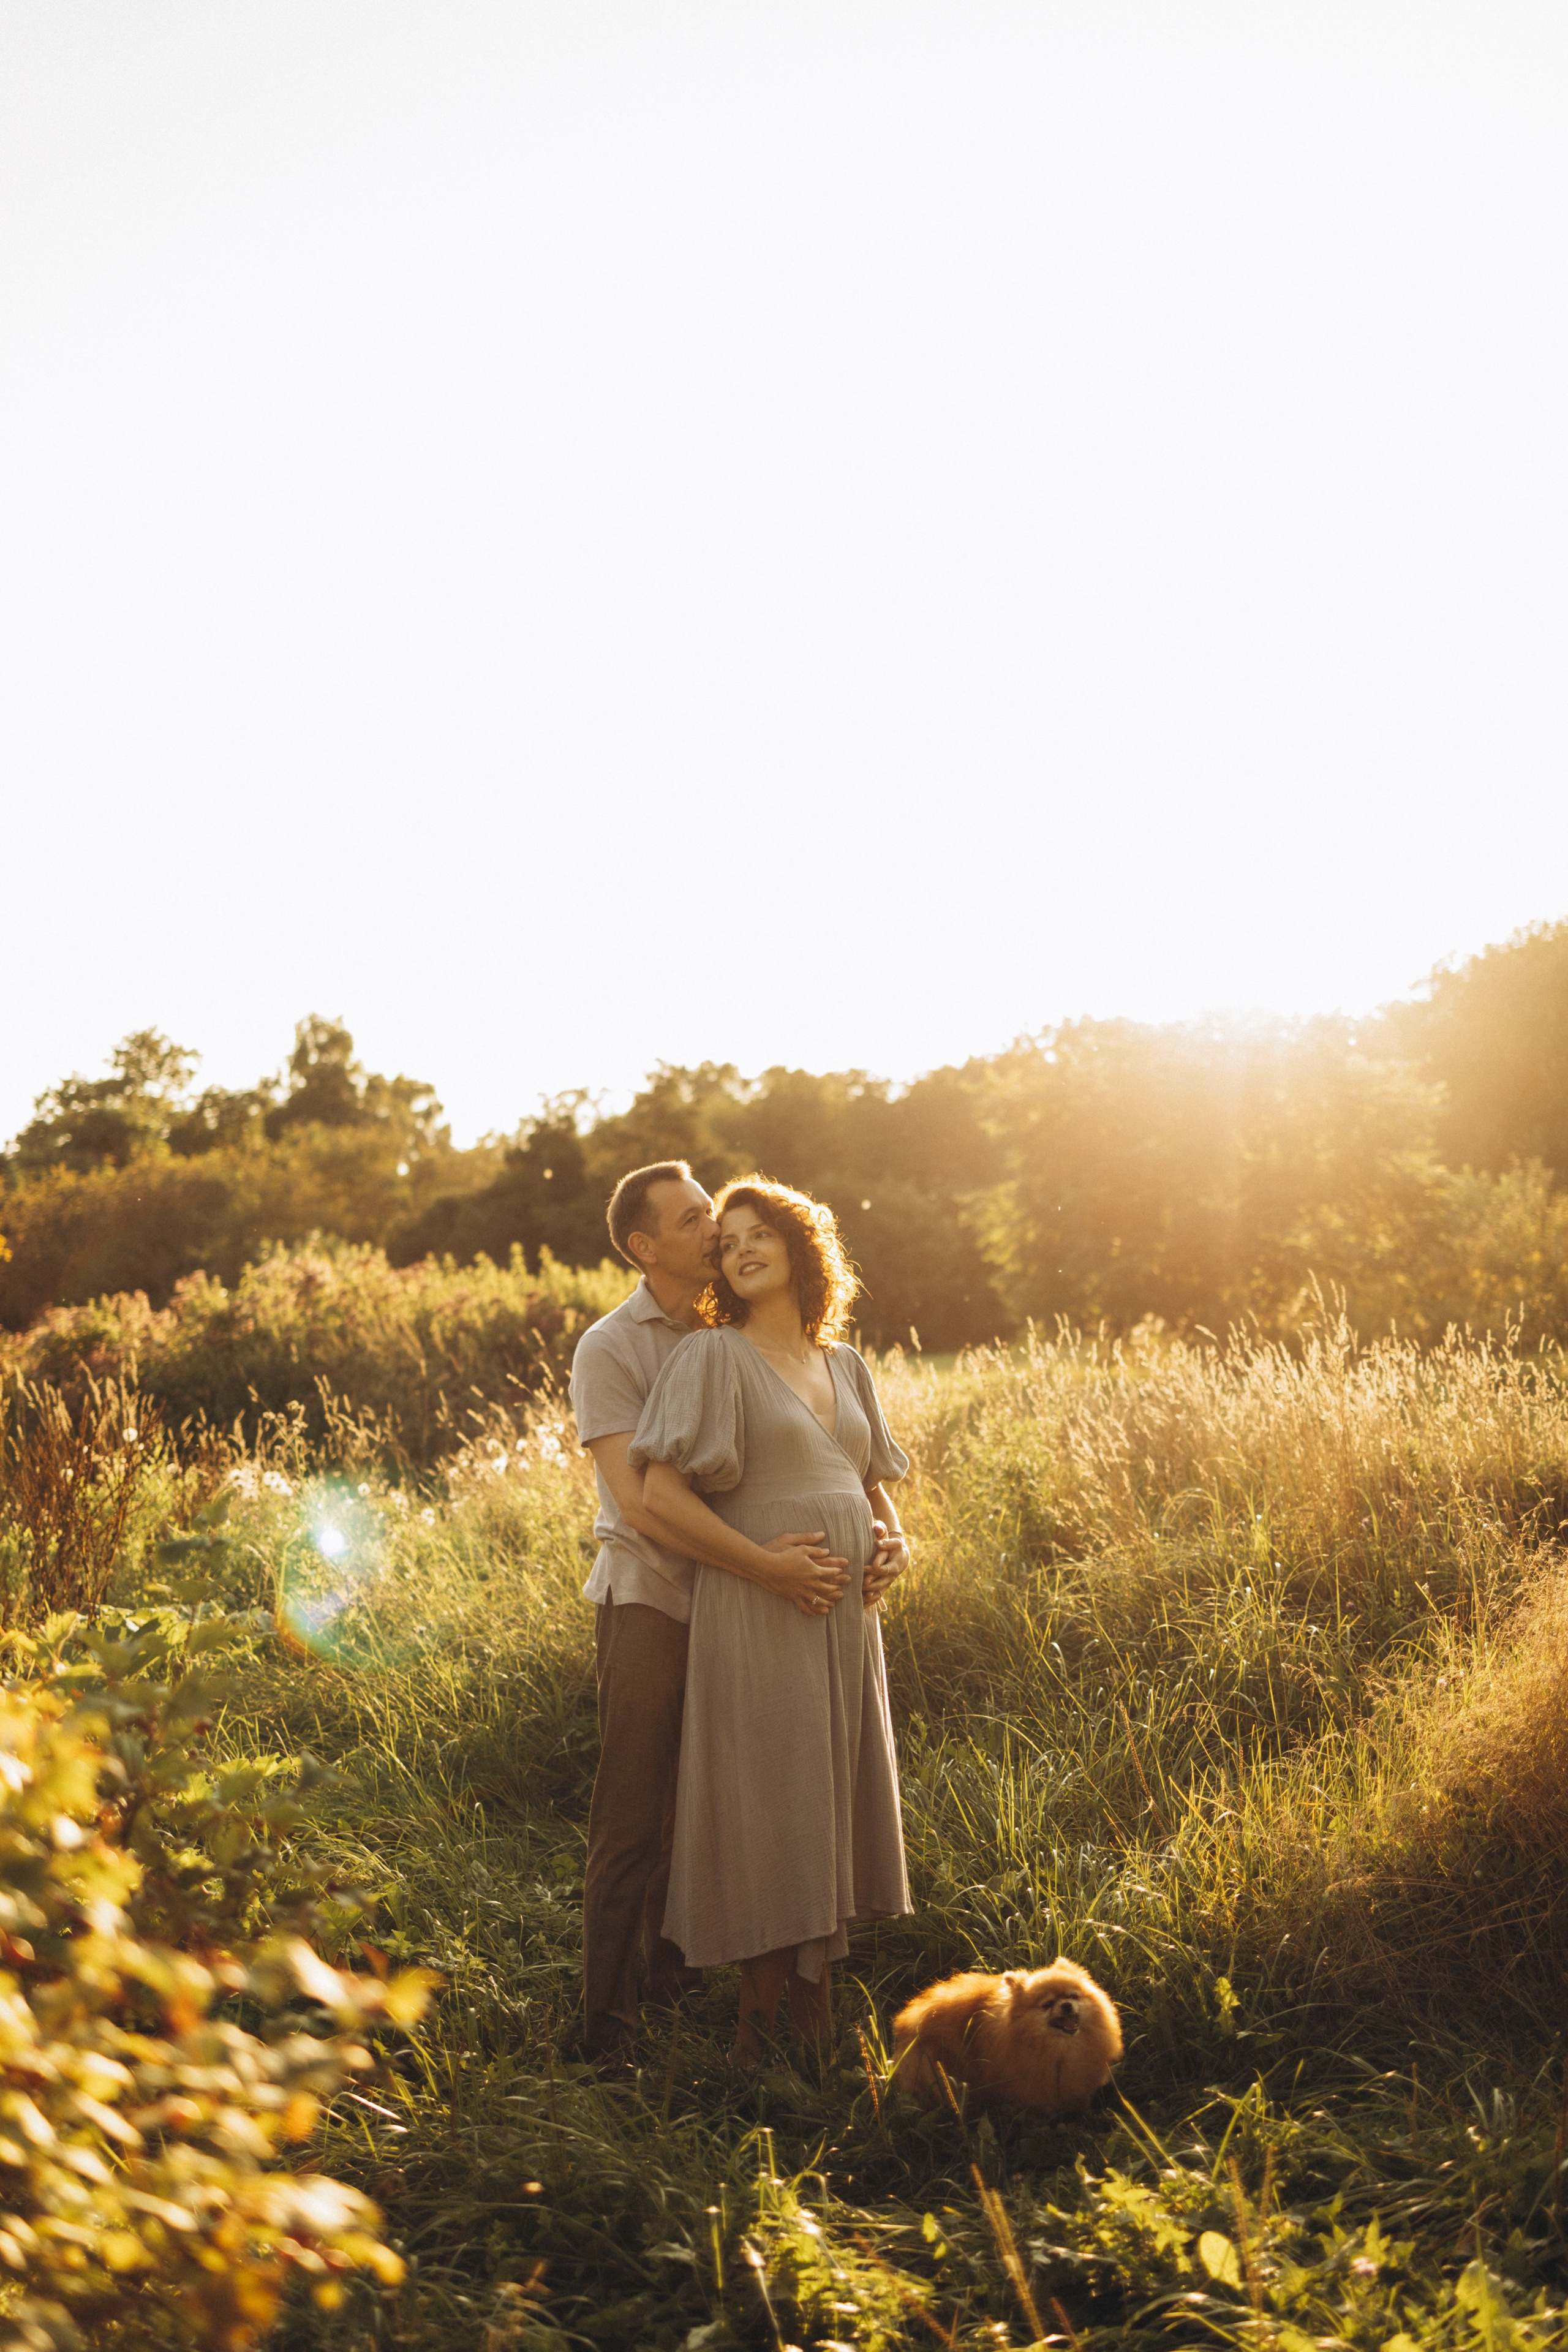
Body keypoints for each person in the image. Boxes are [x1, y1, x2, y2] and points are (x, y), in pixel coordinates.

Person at [568, 1159, 855, 2063]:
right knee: (637, 1816)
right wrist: (765, 1566)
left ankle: (685, 1991)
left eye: (721, 1223)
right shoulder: (612, 1348)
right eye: (696, 1222)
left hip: (755, 1604)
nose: (715, 1233)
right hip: (659, 1594)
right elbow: (643, 1500)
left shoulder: (745, 1330)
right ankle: (606, 2031)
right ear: (646, 1247)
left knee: (731, 1805)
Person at [629, 1175, 913, 2066]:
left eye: (761, 1235)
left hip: (840, 1623)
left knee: (825, 1798)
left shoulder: (847, 1365)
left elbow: (866, 1486)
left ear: (800, 1247)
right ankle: (756, 2043)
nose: (742, 1249)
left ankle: (814, 2025)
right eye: (729, 1242)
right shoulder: (713, 1359)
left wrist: (896, 1547)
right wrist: (771, 1568)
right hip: (758, 1608)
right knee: (770, 1806)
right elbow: (660, 1500)